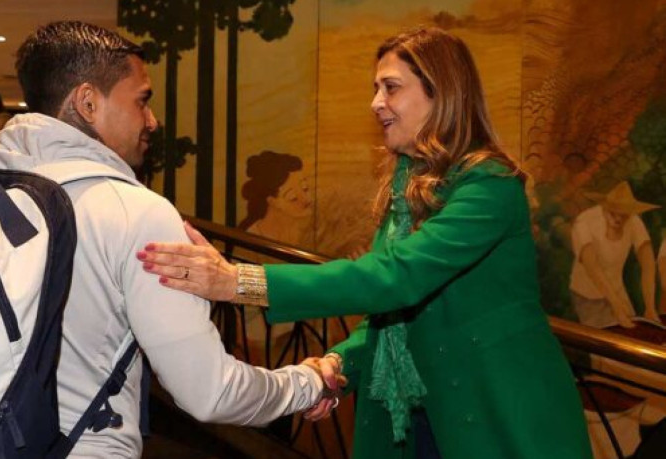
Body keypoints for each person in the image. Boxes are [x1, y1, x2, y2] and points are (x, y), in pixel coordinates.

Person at [139, 28, 592, 458]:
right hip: (415, 421)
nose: (376, 103)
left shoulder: (489, 185)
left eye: (391, 87)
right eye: (376, 88)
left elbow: (397, 278)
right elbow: (390, 315)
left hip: (496, 417)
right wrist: (338, 365)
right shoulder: (406, 185)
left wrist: (239, 281)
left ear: (442, 91)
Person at [0, 21, 329, 458]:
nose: (152, 120)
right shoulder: (134, 212)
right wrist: (308, 382)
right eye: (142, 101)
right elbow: (211, 392)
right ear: (88, 102)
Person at [570, 181, 661, 329]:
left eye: (623, 215)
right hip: (588, 295)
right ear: (604, 208)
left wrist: (650, 307)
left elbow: (648, 262)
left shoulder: (633, 220)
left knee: (633, 335)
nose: (618, 219)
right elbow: (593, 268)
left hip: (617, 289)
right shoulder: (584, 222)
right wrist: (617, 306)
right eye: (613, 213)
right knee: (603, 345)